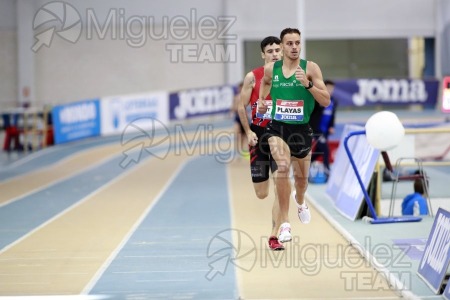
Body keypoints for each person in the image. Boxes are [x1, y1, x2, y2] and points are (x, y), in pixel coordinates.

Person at [258, 28, 330, 243]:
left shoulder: (311, 68)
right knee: (281, 167)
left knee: (301, 182)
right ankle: (285, 225)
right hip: (277, 127)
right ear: (282, 46)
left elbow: (325, 101)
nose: (294, 47)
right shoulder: (272, 69)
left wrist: (307, 85)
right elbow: (265, 83)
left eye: (297, 43)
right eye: (289, 44)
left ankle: (300, 202)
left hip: (301, 130)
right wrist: (262, 101)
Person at [237, 36, 284, 250]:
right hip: (258, 135)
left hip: (282, 134)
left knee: (280, 183)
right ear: (263, 54)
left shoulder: (290, 77)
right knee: (262, 193)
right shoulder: (252, 77)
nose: (274, 53)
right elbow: (241, 106)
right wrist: (248, 132)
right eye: (270, 50)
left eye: (277, 50)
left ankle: (274, 235)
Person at [309, 79, 337, 181]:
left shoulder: (334, 101)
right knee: (325, 150)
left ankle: (305, 166)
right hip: (316, 130)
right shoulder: (318, 99)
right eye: (328, 88)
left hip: (325, 131)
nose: (330, 90)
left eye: (332, 89)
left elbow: (332, 116)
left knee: (319, 151)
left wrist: (331, 126)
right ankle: (327, 171)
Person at [231, 82, 249, 159]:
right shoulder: (236, 97)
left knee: (244, 137)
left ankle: (243, 150)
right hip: (238, 118)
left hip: (245, 118)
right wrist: (236, 108)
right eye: (240, 88)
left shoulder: (247, 96)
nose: (240, 89)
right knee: (237, 134)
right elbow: (232, 108)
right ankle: (237, 152)